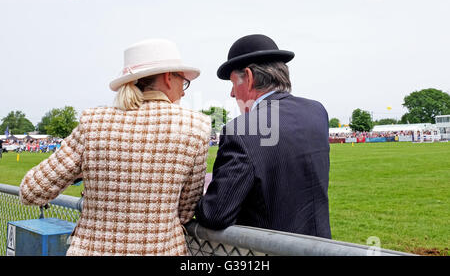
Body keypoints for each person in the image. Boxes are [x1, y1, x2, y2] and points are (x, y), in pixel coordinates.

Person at [20, 38, 211, 255]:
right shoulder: (196, 126)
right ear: (168, 77)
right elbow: (185, 211)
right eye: (183, 81)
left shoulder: (93, 122)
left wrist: (88, 173)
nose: (184, 90)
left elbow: (31, 191)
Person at [195, 34, 331, 239]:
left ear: (248, 77)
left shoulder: (243, 129)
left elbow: (215, 214)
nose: (232, 94)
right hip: (320, 246)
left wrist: (205, 192)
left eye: (233, 83)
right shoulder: (316, 111)